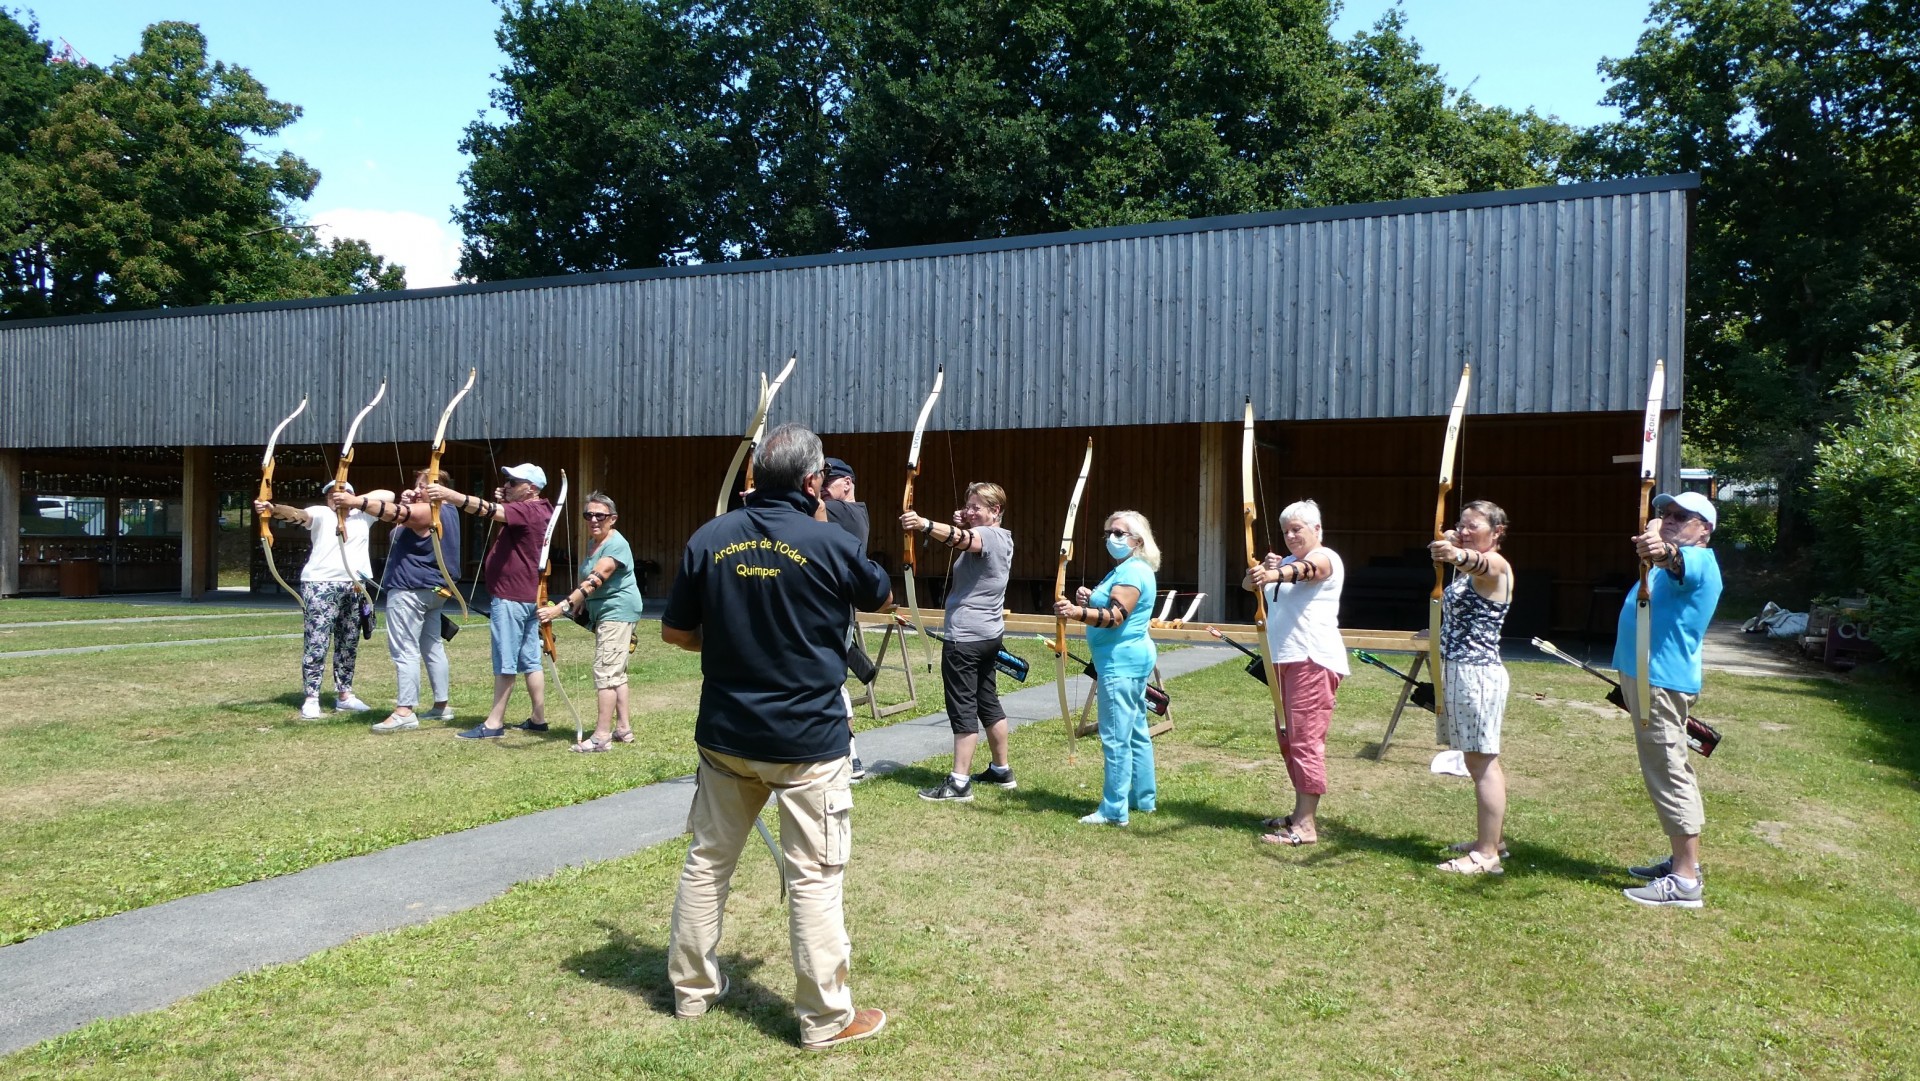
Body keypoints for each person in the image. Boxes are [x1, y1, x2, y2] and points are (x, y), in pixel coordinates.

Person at [661, 423, 893, 1050]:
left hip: (727, 736)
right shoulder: (830, 539)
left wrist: (740, 642)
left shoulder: (710, 538)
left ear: (755, 477)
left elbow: (677, 634)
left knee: (707, 864)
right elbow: (878, 593)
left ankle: (692, 992)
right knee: (815, 876)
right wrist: (829, 519)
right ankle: (826, 1018)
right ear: (813, 481)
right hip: (804, 744)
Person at [1614, 490, 1722, 908]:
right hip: (1647, 679)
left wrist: (1659, 543)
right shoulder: (1671, 562)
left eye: (1683, 516)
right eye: (1667, 512)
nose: (1671, 519)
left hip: (1659, 682)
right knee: (1667, 765)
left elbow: (1673, 560)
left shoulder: (1697, 561)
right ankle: (1683, 862)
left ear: (1705, 530)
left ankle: (1685, 881)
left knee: (1668, 769)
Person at [421, 464, 555, 740]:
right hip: (527, 596)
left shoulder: (528, 510)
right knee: (530, 661)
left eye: (514, 481)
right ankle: (538, 719)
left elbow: (489, 510)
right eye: (506, 480)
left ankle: (494, 724)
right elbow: (504, 514)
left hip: (511, 597)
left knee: (505, 662)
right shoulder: (539, 508)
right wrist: (507, 498)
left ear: (530, 488)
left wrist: (450, 495)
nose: (507, 484)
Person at [1242, 499, 1348, 846]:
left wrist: (1274, 573)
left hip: (1311, 658)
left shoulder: (1326, 557)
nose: (1290, 535)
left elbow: (1309, 570)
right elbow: (1249, 585)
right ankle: (1299, 813)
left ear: (1317, 530)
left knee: (1305, 740)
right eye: (1286, 530)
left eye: (1297, 529)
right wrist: (1263, 570)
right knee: (1288, 739)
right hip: (1284, 660)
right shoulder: (1287, 561)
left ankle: (1305, 826)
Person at [901, 482, 1015, 802]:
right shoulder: (1003, 537)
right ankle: (1001, 770)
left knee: (963, 707)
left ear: (996, 511)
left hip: (965, 637)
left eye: (977, 506)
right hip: (989, 635)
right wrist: (965, 520)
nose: (970, 510)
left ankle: (959, 783)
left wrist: (924, 524)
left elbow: (963, 540)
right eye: (969, 505)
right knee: (987, 701)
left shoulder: (987, 535)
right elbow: (968, 537)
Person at [1055, 510, 1161, 826]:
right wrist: (1090, 599)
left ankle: (1114, 810)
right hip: (1129, 658)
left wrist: (1075, 612)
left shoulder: (1132, 572)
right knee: (1137, 730)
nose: (1111, 539)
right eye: (1108, 533)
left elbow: (1115, 616)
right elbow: (1110, 602)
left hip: (1121, 662)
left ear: (1137, 540)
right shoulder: (1129, 568)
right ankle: (1143, 799)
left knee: (1115, 736)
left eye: (1118, 533)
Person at [329, 476, 460, 732]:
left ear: (439, 488)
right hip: (433, 590)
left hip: (411, 589)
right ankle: (441, 706)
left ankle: (405, 711)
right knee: (431, 646)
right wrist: (405, 505)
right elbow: (397, 531)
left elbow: (392, 513)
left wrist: (354, 501)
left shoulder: (433, 509)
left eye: (424, 485)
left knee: (405, 649)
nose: (418, 489)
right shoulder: (449, 510)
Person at [1426, 500, 1515, 873]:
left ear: (1496, 533)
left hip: (1477, 675)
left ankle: (1487, 855)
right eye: (1461, 525)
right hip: (1460, 672)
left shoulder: (1496, 565)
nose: (1464, 531)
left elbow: (1477, 563)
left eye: (1473, 526)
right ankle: (1491, 840)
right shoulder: (1467, 567)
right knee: (1473, 759)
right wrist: (1454, 546)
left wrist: (1454, 552)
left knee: (1482, 763)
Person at [253, 481, 390, 719]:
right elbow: (297, 515)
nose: (335, 498)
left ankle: (345, 694)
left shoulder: (363, 515)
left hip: (355, 585)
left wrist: (353, 501)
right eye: (331, 494)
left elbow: (388, 492)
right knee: (317, 640)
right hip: (320, 584)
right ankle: (312, 697)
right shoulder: (321, 513)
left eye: (341, 493)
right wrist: (271, 508)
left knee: (349, 641)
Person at [536, 491, 643, 752]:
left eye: (600, 515)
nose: (593, 519)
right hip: (606, 612)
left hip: (617, 612)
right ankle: (623, 730)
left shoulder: (615, 544)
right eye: (589, 515)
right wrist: (581, 602)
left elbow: (597, 578)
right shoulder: (594, 542)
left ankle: (601, 737)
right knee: (616, 671)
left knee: (606, 673)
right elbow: (589, 582)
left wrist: (562, 607)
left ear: (613, 519)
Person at [821, 456, 874, 779]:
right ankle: (849, 756)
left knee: (832, 683)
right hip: (829, 609)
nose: (821, 491)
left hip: (835, 610)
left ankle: (849, 756)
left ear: (847, 484)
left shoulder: (847, 512)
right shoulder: (833, 512)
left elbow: (801, 506)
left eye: (827, 484)